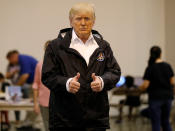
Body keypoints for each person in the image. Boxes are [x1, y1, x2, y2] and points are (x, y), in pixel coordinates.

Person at [42, 2, 121, 131]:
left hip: (96, 119)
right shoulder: (55, 46)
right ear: (71, 21)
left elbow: (114, 72)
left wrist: (102, 81)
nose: (83, 23)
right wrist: (66, 83)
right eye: (78, 18)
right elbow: (48, 76)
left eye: (87, 18)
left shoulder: (103, 46)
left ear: (93, 21)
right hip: (64, 120)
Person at [140, 46, 175, 131]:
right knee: (166, 122)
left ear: (150, 54)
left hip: (155, 99)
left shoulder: (150, 67)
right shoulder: (167, 66)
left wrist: (139, 88)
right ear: (161, 54)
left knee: (156, 123)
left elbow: (145, 85)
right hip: (168, 98)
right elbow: (173, 82)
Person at [6, 50, 39, 130]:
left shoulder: (23, 60)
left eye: (10, 60)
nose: (10, 62)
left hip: (36, 85)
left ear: (13, 56)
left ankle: (31, 124)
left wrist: (15, 88)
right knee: (31, 105)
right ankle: (28, 123)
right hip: (32, 85)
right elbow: (8, 75)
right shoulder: (21, 61)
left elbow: (24, 76)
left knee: (33, 105)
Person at [33, 40, 51, 131]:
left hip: (59, 102)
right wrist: (35, 103)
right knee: (46, 125)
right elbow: (36, 84)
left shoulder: (62, 64)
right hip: (44, 101)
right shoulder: (39, 65)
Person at [6, 50, 21, 124]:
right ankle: (17, 120)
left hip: (24, 85)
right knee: (15, 104)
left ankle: (29, 122)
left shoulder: (22, 63)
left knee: (28, 104)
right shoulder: (10, 65)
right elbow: (7, 76)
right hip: (14, 86)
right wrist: (13, 72)